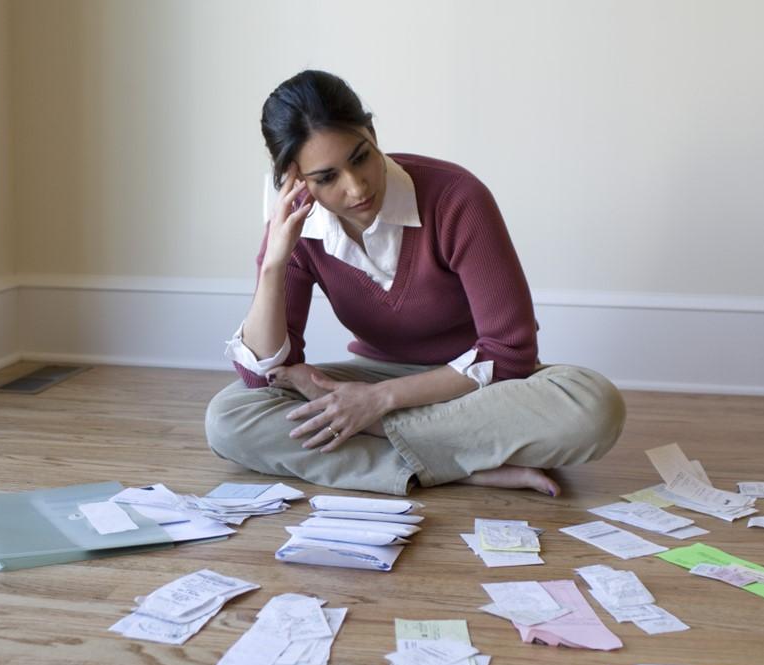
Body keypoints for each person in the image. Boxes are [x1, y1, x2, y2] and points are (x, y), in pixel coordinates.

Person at [204, 70, 625, 497]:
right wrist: (275, 262)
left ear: (371, 132)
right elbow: (263, 375)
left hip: (475, 386)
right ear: (295, 179)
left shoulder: (456, 197)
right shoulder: (296, 228)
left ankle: (398, 451)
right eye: (327, 178)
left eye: (360, 156)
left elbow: (510, 354)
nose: (356, 186)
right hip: (373, 376)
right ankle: (460, 467)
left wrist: (379, 402)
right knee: (230, 416)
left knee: (591, 407)